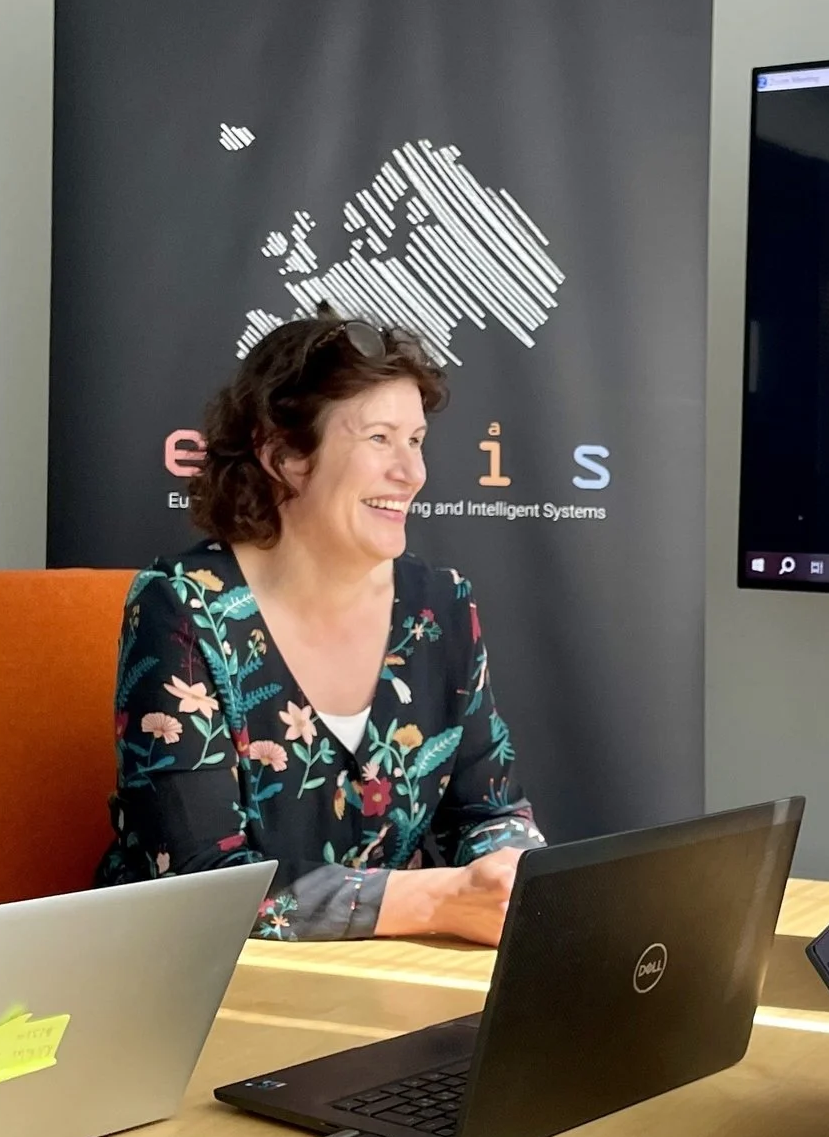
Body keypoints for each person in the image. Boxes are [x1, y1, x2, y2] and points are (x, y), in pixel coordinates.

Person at [99, 313, 542, 946]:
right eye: (380, 438)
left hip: (391, 973)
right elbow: (203, 884)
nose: (412, 472)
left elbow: (489, 811)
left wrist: (511, 876)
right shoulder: (183, 607)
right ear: (284, 457)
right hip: (200, 982)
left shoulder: (440, 606)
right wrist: (439, 899)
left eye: (416, 440)